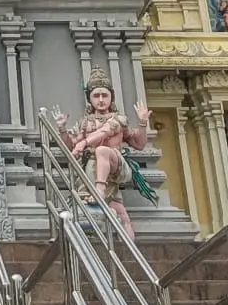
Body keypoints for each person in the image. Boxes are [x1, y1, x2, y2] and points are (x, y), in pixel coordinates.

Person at [52, 68, 157, 238]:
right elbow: (71, 147)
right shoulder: (84, 122)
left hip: (116, 166)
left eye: (105, 95)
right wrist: (62, 129)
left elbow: (139, 143)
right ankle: (130, 251)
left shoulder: (119, 119)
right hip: (92, 170)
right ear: (90, 99)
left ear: (111, 97)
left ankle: (99, 191)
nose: (101, 100)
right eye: (96, 96)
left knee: (102, 151)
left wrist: (143, 124)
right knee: (121, 214)